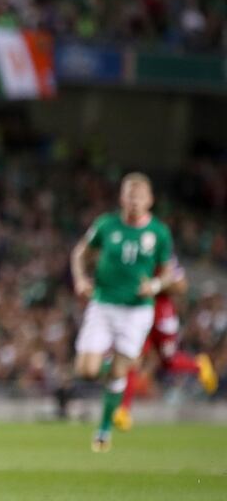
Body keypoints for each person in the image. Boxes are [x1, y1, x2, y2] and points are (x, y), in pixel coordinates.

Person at [70, 172, 174, 452]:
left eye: (139, 196)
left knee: (118, 371)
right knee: (86, 370)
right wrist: (80, 279)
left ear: (150, 200)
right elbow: (81, 253)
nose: (134, 201)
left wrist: (154, 285)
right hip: (103, 304)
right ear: (122, 198)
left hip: (136, 311)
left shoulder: (159, 233)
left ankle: (104, 429)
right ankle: (116, 365)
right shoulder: (106, 225)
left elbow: (168, 273)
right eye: (130, 195)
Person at [112, 259, 218, 431]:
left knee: (167, 360)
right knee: (131, 358)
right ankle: (123, 411)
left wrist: (155, 286)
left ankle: (198, 365)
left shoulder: (162, 255)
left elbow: (181, 286)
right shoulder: (130, 252)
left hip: (161, 313)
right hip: (138, 313)